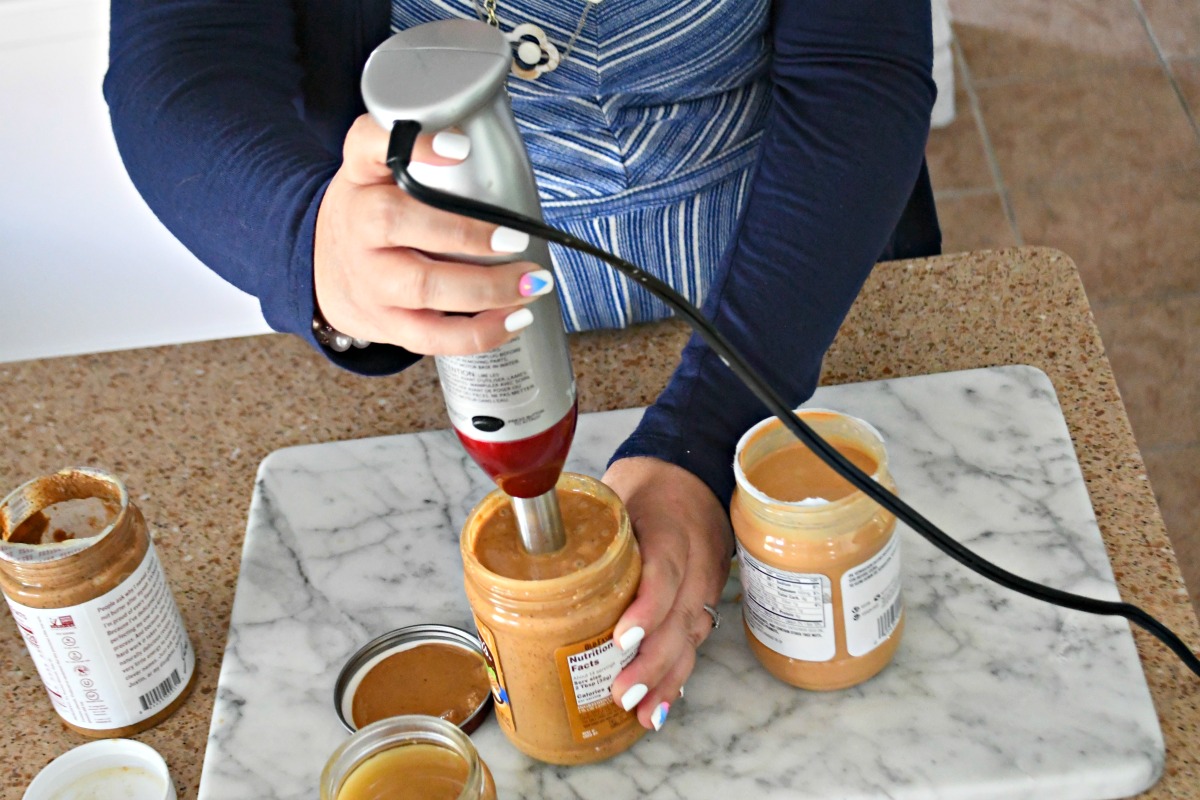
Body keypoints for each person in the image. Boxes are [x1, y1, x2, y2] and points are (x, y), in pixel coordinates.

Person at [104, 0, 939, 732]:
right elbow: (183, 54)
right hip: (439, 342)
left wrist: (709, 428)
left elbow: (857, 72)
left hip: (799, 282)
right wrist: (306, 239)